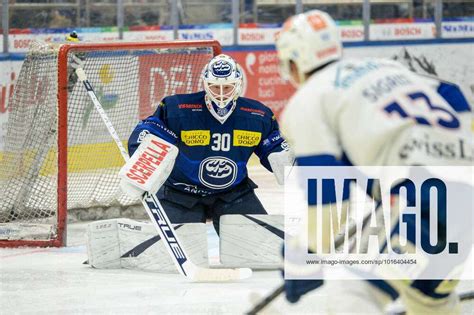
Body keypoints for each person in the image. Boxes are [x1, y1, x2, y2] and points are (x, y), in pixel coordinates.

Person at [275, 9, 471, 314]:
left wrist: (303, 256)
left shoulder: (309, 100)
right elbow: (451, 93)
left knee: (352, 291)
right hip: (460, 201)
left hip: (427, 200)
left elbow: (331, 206)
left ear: (293, 61)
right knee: (427, 300)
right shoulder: (384, 69)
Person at [119, 54, 293, 234]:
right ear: (205, 84)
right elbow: (150, 132)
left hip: (233, 194)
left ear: (238, 85)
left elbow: (275, 147)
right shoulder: (177, 109)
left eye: (227, 87)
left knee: (263, 248)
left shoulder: (257, 115)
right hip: (180, 194)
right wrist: (141, 162)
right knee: (171, 254)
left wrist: (296, 170)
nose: (221, 93)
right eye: (214, 87)